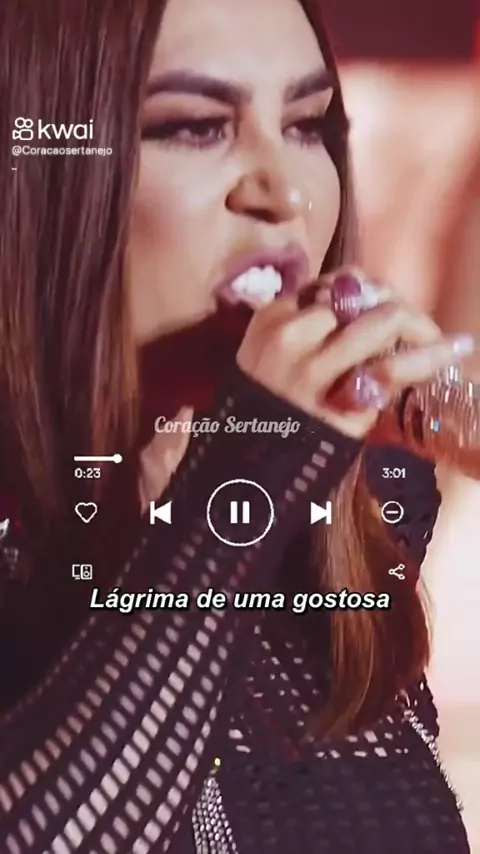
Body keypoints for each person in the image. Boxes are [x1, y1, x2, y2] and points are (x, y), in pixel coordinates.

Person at [0, 0, 473, 851]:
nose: (285, 192)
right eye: (195, 127)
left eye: (306, 125)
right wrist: (245, 483)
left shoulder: (362, 503)